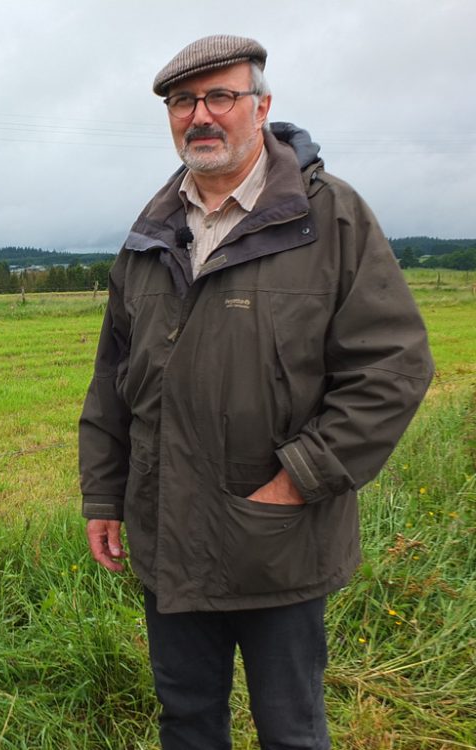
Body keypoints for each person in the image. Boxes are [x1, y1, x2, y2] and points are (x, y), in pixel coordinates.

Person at [78, 34, 434, 749]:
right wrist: (104, 497)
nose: (200, 115)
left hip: (279, 542)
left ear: (262, 106)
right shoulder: (150, 233)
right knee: (186, 723)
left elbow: (393, 365)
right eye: (184, 101)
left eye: (221, 97)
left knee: (291, 731)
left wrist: (300, 481)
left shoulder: (328, 217)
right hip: (167, 537)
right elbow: (114, 381)